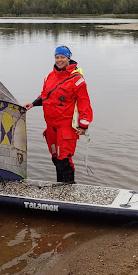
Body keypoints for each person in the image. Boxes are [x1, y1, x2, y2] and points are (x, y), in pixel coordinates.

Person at [24, 45, 93, 183]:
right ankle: (59, 188)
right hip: (51, 127)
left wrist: (83, 125)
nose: (59, 60)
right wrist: (33, 103)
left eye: (62, 57)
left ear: (68, 58)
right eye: (57, 57)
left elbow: (84, 103)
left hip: (65, 127)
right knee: (55, 159)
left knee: (64, 161)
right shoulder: (50, 76)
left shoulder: (77, 80)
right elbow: (45, 95)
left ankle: (68, 191)